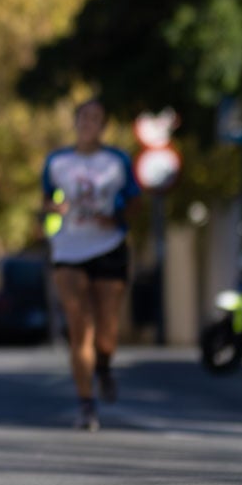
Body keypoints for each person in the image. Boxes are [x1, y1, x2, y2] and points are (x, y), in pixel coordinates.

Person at [40, 98, 140, 431]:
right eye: (83, 117)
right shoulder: (58, 161)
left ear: (103, 125)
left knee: (107, 332)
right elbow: (45, 201)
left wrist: (116, 216)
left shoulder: (117, 161)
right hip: (68, 250)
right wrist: (53, 210)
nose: (89, 124)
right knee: (79, 326)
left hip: (108, 246)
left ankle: (105, 365)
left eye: (96, 118)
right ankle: (86, 404)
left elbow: (135, 201)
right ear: (75, 122)